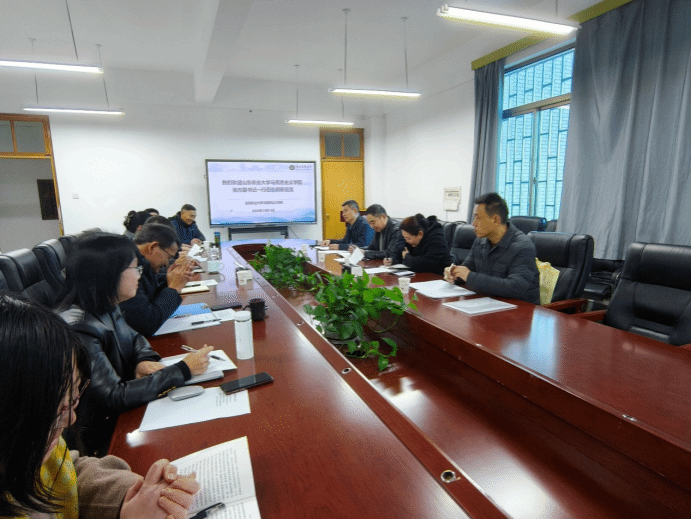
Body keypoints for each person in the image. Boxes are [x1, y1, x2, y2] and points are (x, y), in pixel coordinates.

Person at [0, 293, 200, 519]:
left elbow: (67, 469)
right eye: (56, 410)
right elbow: (115, 393)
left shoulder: (34, 448)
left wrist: (131, 497)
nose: (70, 419)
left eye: (73, 399)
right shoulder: (81, 323)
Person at [57, 233, 212, 455]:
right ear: (109, 273)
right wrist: (184, 369)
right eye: (134, 268)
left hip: (120, 417)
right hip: (98, 440)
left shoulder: (105, 303)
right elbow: (113, 396)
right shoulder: (79, 327)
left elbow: (135, 337)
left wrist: (143, 359)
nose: (139, 276)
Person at [444, 192, 540, 304]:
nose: (473, 223)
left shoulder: (523, 246)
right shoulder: (480, 241)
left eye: (477, 218)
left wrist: (468, 276)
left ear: (495, 220)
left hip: (519, 308)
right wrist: (454, 274)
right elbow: (468, 268)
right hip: (489, 302)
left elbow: (515, 287)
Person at [119, 224, 196, 336]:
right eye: (169, 257)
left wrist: (170, 280)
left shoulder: (143, 264)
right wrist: (173, 288)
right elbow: (146, 324)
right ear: (152, 247)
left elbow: (150, 299)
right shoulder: (127, 269)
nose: (167, 263)